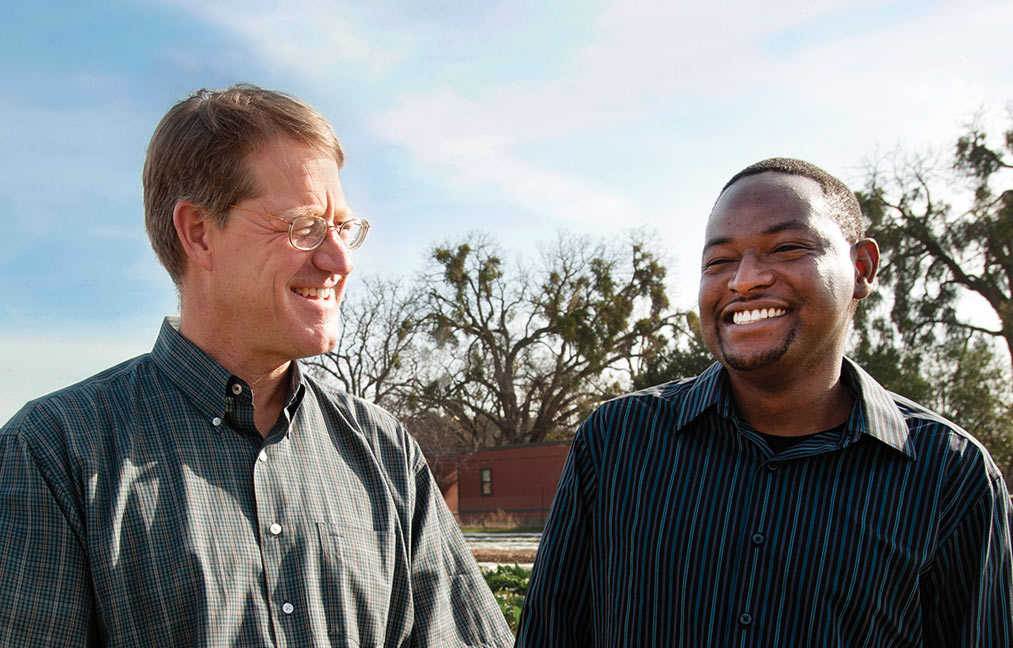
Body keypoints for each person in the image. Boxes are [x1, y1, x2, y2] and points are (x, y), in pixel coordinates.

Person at [0, 84, 513, 647]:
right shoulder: (53, 454)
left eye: (343, 227)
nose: (339, 260)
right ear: (198, 233)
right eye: (303, 226)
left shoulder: (385, 451)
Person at [516, 157, 1013, 647]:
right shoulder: (616, 442)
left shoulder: (952, 476)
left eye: (787, 247)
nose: (744, 279)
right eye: (720, 260)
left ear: (861, 268)